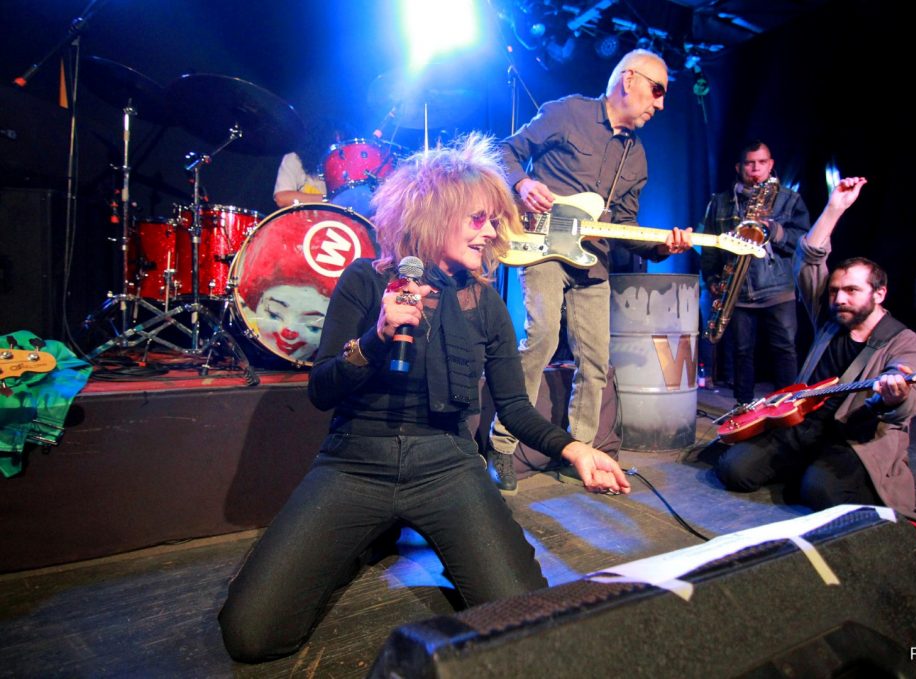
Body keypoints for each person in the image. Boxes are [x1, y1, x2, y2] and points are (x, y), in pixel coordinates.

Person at [218, 134, 632, 663]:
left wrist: (574, 449)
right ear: (434, 212)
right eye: (478, 219)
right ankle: (368, 532)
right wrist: (375, 340)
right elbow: (322, 389)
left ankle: (399, 527)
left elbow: (514, 408)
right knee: (252, 635)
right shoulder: (365, 281)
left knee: (525, 621)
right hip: (355, 462)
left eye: (494, 222)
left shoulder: (486, 305)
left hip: (446, 465)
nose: (491, 233)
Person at [487, 48, 692, 494]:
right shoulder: (568, 113)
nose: (660, 104)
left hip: (593, 259)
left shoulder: (637, 157)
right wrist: (523, 183)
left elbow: (626, 226)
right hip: (542, 248)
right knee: (542, 338)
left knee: (596, 359)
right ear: (629, 80)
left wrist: (663, 245)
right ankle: (501, 444)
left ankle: (579, 450)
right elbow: (504, 151)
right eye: (657, 91)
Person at [715, 177, 916, 521]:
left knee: (820, 492)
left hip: (853, 439)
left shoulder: (905, 341)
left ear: (879, 294)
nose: (839, 298)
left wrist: (896, 395)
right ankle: (802, 467)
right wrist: (834, 208)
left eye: (851, 290)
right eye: (834, 291)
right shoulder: (830, 319)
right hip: (802, 424)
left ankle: (815, 475)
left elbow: (906, 403)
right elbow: (810, 259)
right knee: (734, 470)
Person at [699, 140, 810, 405]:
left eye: (762, 162)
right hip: (737, 288)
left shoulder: (789, 199)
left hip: (778, 288)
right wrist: (712, 278)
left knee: (784, 349)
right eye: (749, 163)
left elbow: (804, 241)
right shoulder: (720, 202)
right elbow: (710, 246)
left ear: (771, 165)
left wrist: (773, 230)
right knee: (741, 352)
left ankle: (787, 407)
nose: (756, 168)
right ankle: (743, 408)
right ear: (739, 167)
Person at [272, 117, 344, 208]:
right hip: (304, 217)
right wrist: (330, 200)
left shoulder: (343, 168)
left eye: (341, 139)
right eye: (334, 139)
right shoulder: (295, 159)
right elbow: (282, 198)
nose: (338, 144)